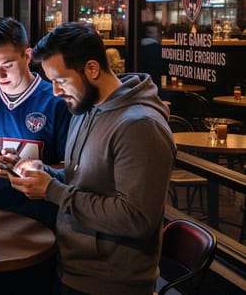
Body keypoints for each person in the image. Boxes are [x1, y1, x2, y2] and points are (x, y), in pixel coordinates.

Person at [10, 22, 174, 295]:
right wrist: (48, 174)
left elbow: (136, 219)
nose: (55, 91)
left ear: (92, 69)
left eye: (60, 80)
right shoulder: (85, 108)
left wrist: (52, 191)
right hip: (72, 267)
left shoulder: (140, 126)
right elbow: (86, 182)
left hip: (111, 283)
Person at [0, 17, 71, 295]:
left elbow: (71, 168)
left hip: (40, 227)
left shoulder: (57, 99)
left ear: (28, 55)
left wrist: (34, 168)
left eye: (7, 65)